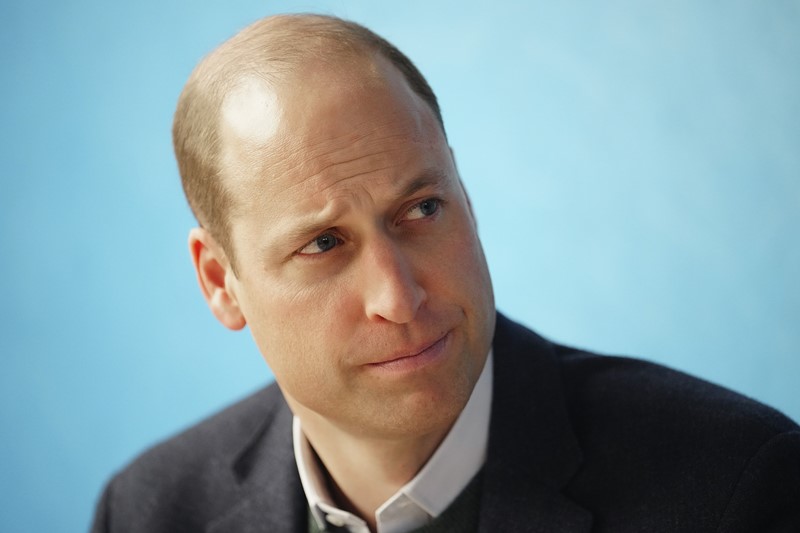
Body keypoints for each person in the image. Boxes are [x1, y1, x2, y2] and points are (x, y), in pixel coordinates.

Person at [91, 13, 800, 533]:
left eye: (422, 208)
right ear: (220, 281)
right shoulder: (149, 510)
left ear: (463, 191)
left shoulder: (736, 488)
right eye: (324, 243)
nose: (399, 297)